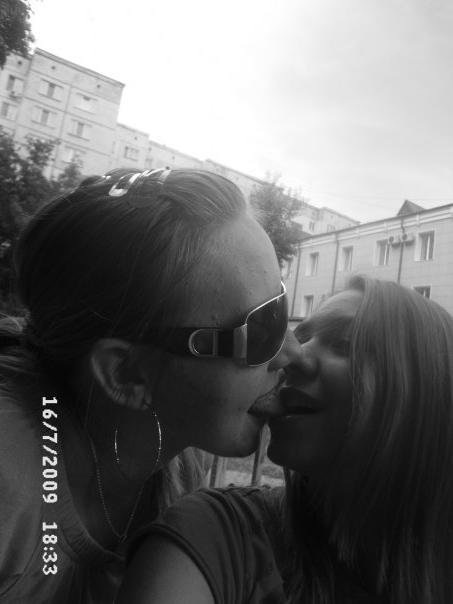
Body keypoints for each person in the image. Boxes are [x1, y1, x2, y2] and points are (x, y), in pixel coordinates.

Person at [0, 167, 291, 603]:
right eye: (263, 327)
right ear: (126, 374)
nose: (292, 354)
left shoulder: (176, 458)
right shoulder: (9, 482)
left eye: (280, 303)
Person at [119, 275, 453, 604]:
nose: (292, 357)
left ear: (428, 389)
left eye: (344, 344)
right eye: (300, 338)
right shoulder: (218, 535)